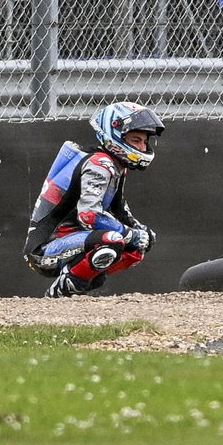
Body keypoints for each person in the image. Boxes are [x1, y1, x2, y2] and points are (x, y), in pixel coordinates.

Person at [24, 101, 164, 298]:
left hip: (75, 242)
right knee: (112, 240)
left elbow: (119, 210)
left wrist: (140, 231)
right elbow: (89, 216)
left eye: (144, 141)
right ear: (115, 134)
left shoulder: (116, 166)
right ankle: (57, 295)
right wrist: (131, 234)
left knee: (136, 249)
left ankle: (83, 283)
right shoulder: (100, 164)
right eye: (135, 140)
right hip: (45, 250)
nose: (142, 146)